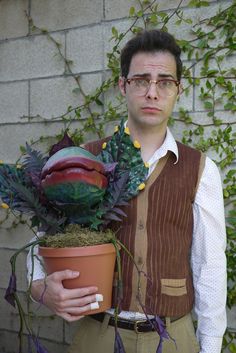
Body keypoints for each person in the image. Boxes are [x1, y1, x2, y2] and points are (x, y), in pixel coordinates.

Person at [27, 29, 227, 353]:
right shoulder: (84, 159)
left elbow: (210, 267)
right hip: (99, 334)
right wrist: (40, 288)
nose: (152, 92)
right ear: (123, 85)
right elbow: (42, 235)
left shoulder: (202, 170)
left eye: (164, 81)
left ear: (179, 89)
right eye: (140, 80)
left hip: (175, 338)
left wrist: (211, 347)